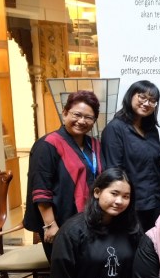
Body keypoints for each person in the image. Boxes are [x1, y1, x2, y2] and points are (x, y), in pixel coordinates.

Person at [24, 89, 102, 258]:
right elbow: (41, 187)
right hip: (60, 221)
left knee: (88, 269)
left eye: (88, 117)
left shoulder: (94, 145)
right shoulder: (47, 144)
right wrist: (50, 225)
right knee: (66, 270)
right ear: (65, 113)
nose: (82, 121)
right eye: (77, 115)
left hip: (89, 219)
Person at [101, 80, 160, 231]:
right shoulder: (115, 128)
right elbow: (114, 170)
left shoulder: (151, 130)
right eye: (142, 97)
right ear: (130, 96)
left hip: (155, 201)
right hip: (131, 204)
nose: (147, 103)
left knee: (153, 242)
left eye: (152, 100)